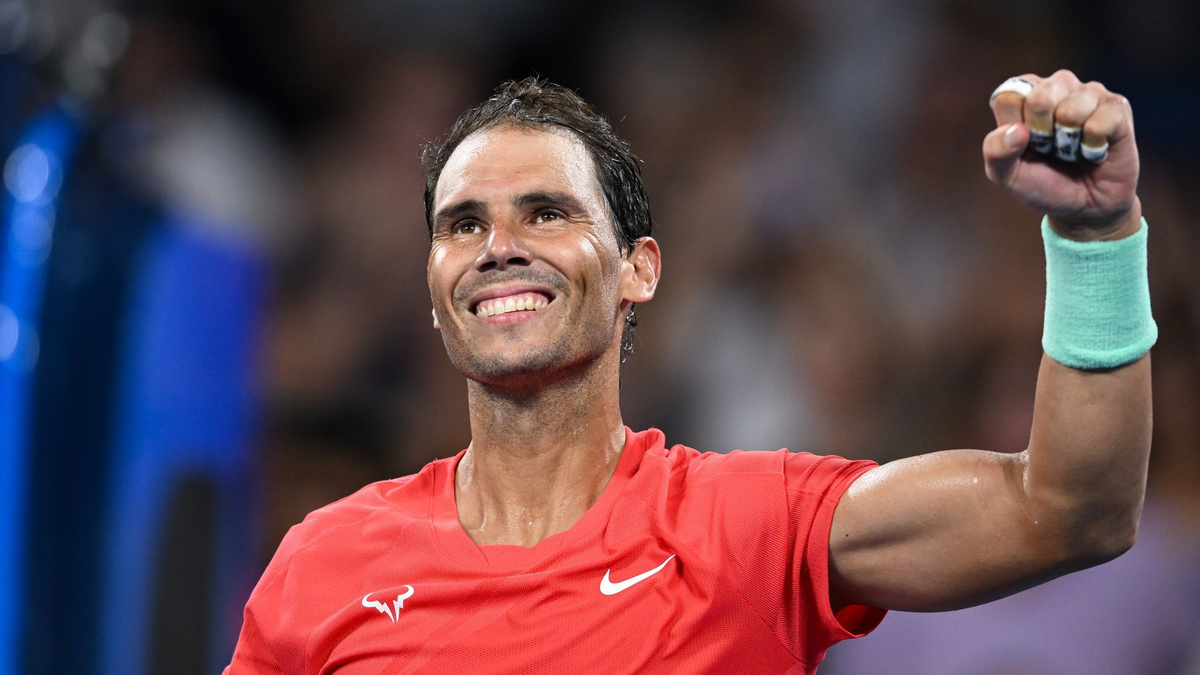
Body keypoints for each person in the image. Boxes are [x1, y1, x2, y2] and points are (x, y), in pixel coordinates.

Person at [224, 70, 1156, 673]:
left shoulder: (750, 525)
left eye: (547, 212)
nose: (499, 247)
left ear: (640, 268)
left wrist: (1096, 238)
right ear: (434, 291)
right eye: (463, 224)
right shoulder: (323, 563)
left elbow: (1073, 508)